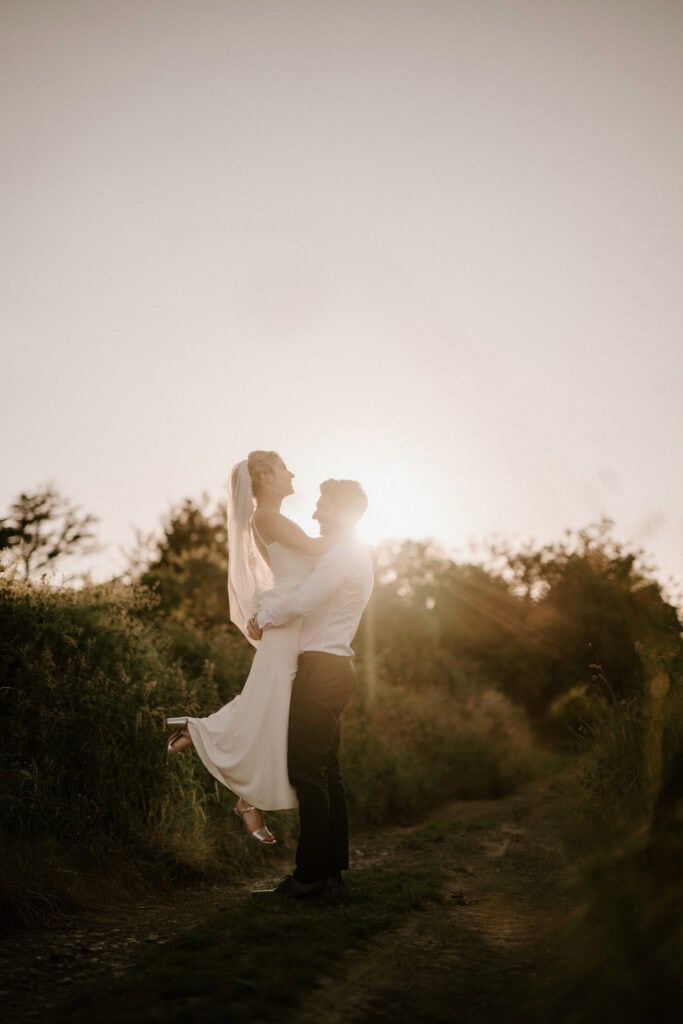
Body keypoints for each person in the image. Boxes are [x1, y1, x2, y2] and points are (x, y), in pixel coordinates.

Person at [166, 451, 337, 844]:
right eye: (283, 468)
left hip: (291, 620)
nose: (292, 473)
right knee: (268, 703)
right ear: (264, 476)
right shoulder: (266, 517)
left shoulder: (270, 518)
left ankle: (241, 789)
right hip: (287, 622)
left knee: (271, 706)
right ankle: (196, 732)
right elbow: (314, 550)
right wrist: (350, 532)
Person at [248, 478, 374, 899]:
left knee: (308, 771)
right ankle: (330, 870)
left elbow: (305, 599)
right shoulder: (352, 552)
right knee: (327, 773)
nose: (316, 513)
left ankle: (309, 877)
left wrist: (261, 619)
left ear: (341, 510)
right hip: (334, 666)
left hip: (323, 669)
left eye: (322, 506)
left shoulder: (344, 553)